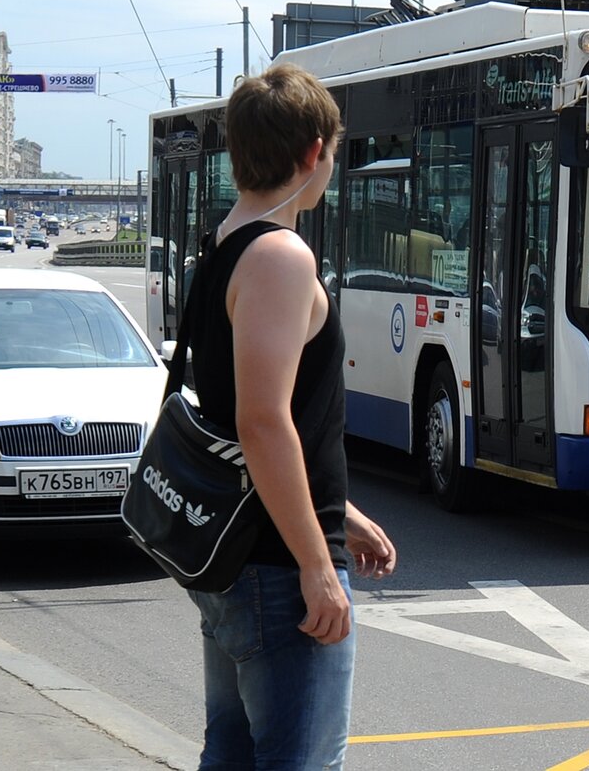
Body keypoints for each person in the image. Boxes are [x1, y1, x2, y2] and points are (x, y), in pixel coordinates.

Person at [186, 63, 396, 770]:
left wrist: (345, 516)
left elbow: (260, 417)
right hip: (275, 568)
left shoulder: (226, 243)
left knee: (234, 752)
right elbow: (263, 421)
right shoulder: (279, 255)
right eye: (333, 151)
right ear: (313, 152)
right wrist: (316, 562)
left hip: (241, 556)